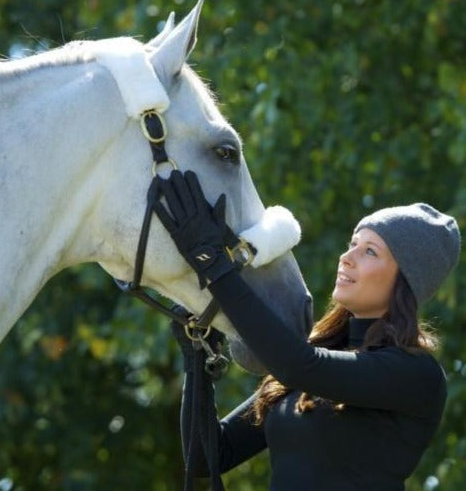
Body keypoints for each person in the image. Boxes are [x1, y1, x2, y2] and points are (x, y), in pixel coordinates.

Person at [153, 170, 461, 491]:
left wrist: (215, 267)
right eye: (352, 243)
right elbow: (207, 456)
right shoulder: (312, 361)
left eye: (369, 251)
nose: (346, 257)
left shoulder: (415, 374)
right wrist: (195, 357)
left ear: (406, 282)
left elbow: (302, 365)